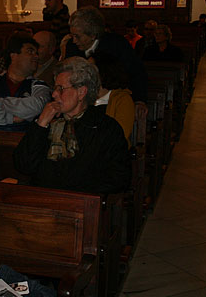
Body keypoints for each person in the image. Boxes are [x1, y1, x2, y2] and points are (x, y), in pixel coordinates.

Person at [13, 57, 131, 194]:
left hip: (81, 204)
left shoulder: (105, 127)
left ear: (81, 92)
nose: (54, 94)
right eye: (55, 88)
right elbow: (23, 166)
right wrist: (40, 124)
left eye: (61, 89)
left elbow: (119, 178)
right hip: (42, 200)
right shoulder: (47, 122)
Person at [65, 6, 148, 119]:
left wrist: (140, 100)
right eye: (72, 35)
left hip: (111, 102)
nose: (74, 41)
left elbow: (136, 72)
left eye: (77, 36)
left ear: (93, 35)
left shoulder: (117, 45)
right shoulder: (71, 47)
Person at [0, 32, 51, 131]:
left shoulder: (40, 85)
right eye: (30, 51)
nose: (36, 56)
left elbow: (36, 107)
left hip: (26, 143)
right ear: (13, 56)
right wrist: (11, 118)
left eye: (36, 53)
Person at [90, 51, 135, 147]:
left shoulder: (122, 99)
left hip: (111, 152)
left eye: (90, 69)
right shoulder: (85, 96)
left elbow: (120, 135)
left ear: (104, 71)